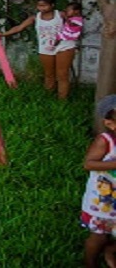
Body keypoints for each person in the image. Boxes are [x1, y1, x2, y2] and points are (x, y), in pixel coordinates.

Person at [0, 0, 63, 95]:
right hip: (45, 49)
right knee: (49, 74)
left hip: (62, 47)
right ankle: (49, 94)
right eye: (39, 6)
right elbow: (19, 28)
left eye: (44, 5)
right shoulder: (35, 18)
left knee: (62, 74)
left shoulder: (60, 15)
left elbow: (75, 22)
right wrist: (3, 34)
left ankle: (62, 97)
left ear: (52, 5)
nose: (41, 8)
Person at [81, 95, 116, 268]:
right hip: (104, 201)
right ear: (111, 124)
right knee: (99, 236)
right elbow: (88, 163)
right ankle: (90, 263)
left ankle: (110, 250)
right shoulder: (105, 142)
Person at [54, 2, 84, 100]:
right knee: (60, 74)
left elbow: (72, 26)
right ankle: (60, 95)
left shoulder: (78, 20)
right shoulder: (71, 19)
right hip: (62, 46)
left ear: (76, 11)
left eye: (68, 10)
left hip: (66, 47)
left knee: (62, 74)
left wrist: (65, 17)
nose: (66, 12)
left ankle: (62, 97)